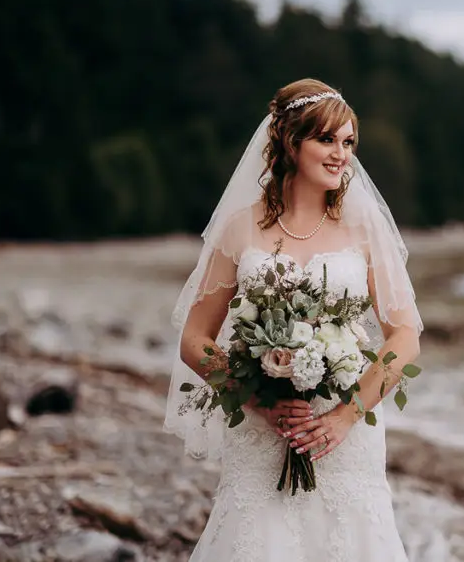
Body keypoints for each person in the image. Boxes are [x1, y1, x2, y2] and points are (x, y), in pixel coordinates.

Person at [163, 78, 423, 561]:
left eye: (348, 142)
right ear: (289, 141)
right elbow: (195, 338)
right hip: (263, 432)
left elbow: (405, 337)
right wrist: (259, 400)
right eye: (327, 139)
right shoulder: (241, 227)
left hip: (345, 437)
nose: (341, 155)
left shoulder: (363, 229)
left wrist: (346, 415)